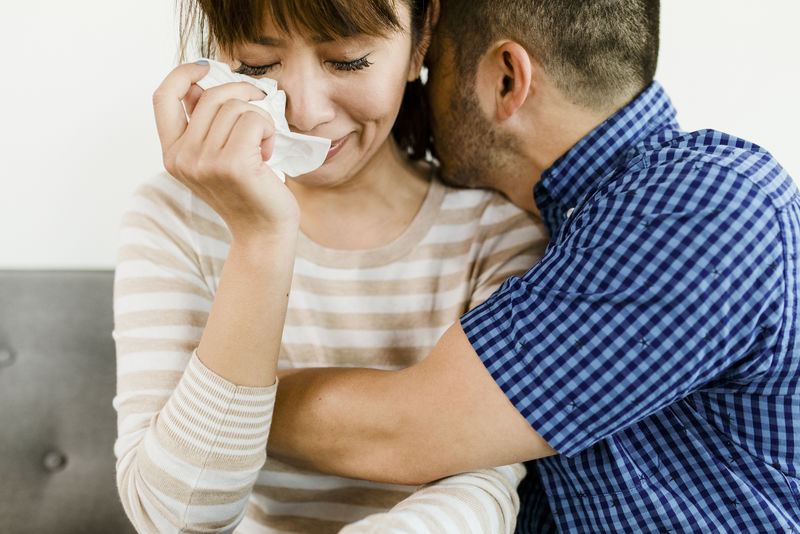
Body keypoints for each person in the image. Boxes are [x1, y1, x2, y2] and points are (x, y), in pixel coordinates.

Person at [263, 1, 800, 532]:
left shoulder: (707, 202)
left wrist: (197, 402)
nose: (414, 98)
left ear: (506, 79)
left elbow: (405, 431)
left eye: (432, 69)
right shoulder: (555, 228)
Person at [112, 0, 548, 532]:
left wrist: (250, 408)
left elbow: (481, 491)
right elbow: (171, 516)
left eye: (347, 61)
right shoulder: (175, 218)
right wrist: (262, 240)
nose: (305, 113)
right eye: (256, 64)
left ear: (421, 39)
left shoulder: (496, 234)